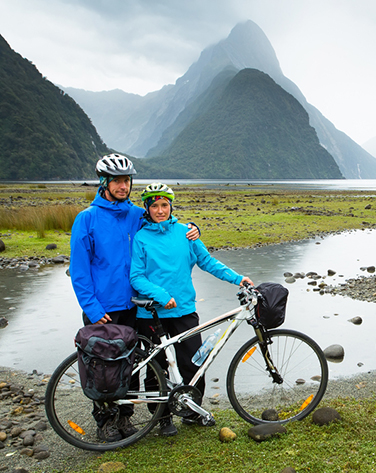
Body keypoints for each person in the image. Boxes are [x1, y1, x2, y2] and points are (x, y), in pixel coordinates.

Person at [69, 154, 200, 442]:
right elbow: (78, 270)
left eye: (126, 180)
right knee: (102, 368)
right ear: (104, 182)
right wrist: (91, 307)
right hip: (103, 308)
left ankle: (126, 418)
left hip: (136, 306)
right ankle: (104, 421)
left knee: (134, 364)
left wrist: (192, 229)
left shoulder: (134, 215)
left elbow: (164, 221)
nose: (122, 185)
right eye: (116, 180)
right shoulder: (86, 219)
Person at [130, 182, 253, 436]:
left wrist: (238, 278)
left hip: (185, 310)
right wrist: (162, 296)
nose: (160, 210)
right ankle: (163, 419)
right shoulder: (141, 238)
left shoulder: (186, 233)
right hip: (153, 313)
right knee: (159, 368)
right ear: (147, 208)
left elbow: (208, 262)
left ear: (171, 206)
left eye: (164, 205)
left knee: (194, 363)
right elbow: (137, 277)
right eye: (155, 206)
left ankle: (192, 411)